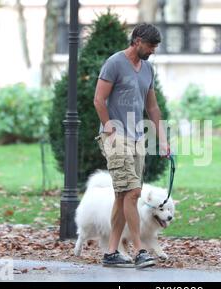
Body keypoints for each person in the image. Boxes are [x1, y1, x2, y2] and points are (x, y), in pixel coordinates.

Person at [93, 23, 170, 268]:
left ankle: (111, 252)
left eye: (155, 47)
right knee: (134, 193)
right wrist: (108, 127)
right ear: (137, 41)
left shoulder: (147, 69)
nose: (153, 51)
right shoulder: (114, 63)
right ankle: (139, 250)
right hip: (116, 137)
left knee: (122, 195)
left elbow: (153, 107)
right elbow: (99, 99)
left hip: (137, 137)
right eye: (150, 46)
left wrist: (163, 138)